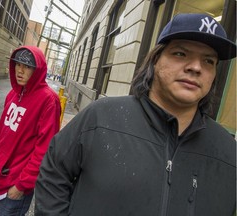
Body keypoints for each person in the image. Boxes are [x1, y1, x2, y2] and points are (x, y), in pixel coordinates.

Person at [34, 13, 236, 216]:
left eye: (209, 61)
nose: (196, 67)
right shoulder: (101, 117)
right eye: (181, 54)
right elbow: (53, 175)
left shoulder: (228, 152)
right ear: (155, 60)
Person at [0, 46, 61, 215]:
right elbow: (0, 136)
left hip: (16, 187)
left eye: (28, 66)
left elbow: (45, 149)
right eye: (18, 64)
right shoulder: (13, 94)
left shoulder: (48, 100)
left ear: (38, 70)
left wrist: (22, 185)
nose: (20, 70)